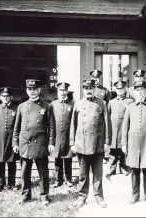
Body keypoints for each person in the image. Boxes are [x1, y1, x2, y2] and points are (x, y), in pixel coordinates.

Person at [12, 79, 55, 205]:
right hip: (25, 144)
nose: (32, 92)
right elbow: (16, 127)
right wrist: (15, 143)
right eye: (30, 89)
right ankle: (26, 195)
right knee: (25, 172)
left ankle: (44, 196)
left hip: (41, 144)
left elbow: (51, 126)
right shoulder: (22, 106)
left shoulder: (46, 106)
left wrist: (51, 142)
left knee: (43, 173)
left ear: (39, 90)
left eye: (35, 89)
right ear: (27, 91)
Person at [70, 79, 111, 208]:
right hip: (82, 144)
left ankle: (99, 197)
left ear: (94, 89)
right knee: (83, 174)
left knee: (98, 174)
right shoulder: (77, 104)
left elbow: (107, 125)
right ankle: (82, 197)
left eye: (91, 88)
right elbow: (73, 125)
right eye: (86, 88)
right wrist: (72, 143)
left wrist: (106, 142)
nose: (88, 91)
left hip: (97, 144)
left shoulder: (102, 103)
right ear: (83, 90)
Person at [121, 80, 146, 205]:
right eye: (137, 90)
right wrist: (124, 144)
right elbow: (125, 126)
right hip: (133, 143)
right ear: (134, 92)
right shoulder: (129, 107)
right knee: (134, 170)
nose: (140, 92)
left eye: (142, 90)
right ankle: (135, 195)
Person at [105, 78, 133, 178]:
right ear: (115, 90)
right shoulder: (111, 102)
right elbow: (107, 117)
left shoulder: (129, 101)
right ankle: (112, 169)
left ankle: (123, 167)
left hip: (124, 129)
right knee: (113, 149)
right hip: (113, 129)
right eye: (118, 89)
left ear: (125, 89)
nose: (120, 91)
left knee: (122, 148)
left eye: (122, 89)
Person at [49, 82, 74, 188]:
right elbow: (51, 123)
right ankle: (58, 180)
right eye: (60, 90)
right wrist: (51, 140)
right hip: (57, 136)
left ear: (67, 91)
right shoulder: (53, 104)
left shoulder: (72, 104)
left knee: (68, 158)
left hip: (68, 135)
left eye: (64, 90)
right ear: (58, 91)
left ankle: (68, 179)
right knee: (57, 158)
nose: (62, 92)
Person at [90, 69, 111, 164]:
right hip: (91, 119)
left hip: (101, 118)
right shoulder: (89, 89)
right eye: (94, 77)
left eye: (97, 78)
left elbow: (109, 105)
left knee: (101, 136)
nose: (96, 79)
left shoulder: (104, 90)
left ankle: (103, 156)